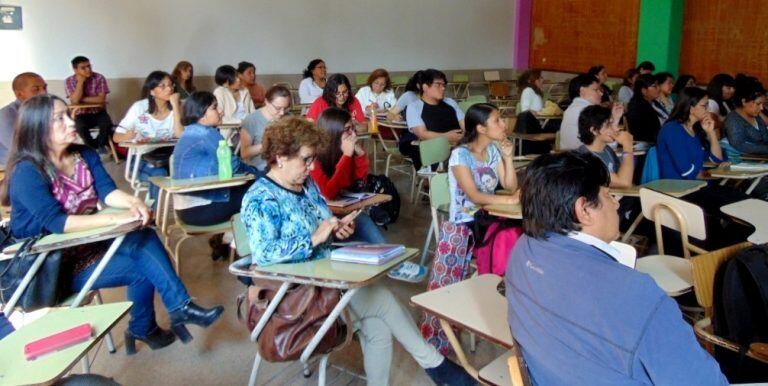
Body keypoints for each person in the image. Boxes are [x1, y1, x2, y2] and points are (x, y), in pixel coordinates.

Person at [240, 117, 475, 386]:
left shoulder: (307, 187)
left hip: (326, 280)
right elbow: (265, 254)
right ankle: (436, 366)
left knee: (378, 328)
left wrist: (336, 228)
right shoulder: (260, 198)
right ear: (280, 157)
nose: (311, 166)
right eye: (305, 159)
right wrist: (314, 238)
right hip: (295, 294)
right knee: (383, 300)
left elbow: (323, 224)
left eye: (312, 159)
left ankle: (435, 367)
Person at [3, 94, 223, 354]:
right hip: (46, 267)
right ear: (37, 128)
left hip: (82, 246)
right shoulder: (27, 171)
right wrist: (115, 218)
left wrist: (133, 204)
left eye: (68, 115)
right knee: (145, 258)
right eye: (58, 119)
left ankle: (165, 316)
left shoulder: (83, 154)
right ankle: (164, 317)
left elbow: (107, 191)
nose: (71, 122)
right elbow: (57, 222)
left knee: (144, 240)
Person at [505, 150, 728, 386]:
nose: (616, 202)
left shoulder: (522, 252)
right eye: (608, 195)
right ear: (584, 210)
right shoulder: (637, 296)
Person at [312, 108, 427, 282]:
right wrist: (347, 155)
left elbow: (359, 183)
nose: (352, 133)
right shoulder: (315, 160)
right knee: (364, 222)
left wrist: (359, 155)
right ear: (333, 132)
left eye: (353, 128)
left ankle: (393, 262)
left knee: (364, 220)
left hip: (342, 211)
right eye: (347, 130)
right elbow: (328, 191)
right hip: (322, 220)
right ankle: (394, 264)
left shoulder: (341, 152)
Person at [172, 91, 261, 226]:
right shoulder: (205, 133)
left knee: (258, 186)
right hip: (201, 208)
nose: (221, 111)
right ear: (201, 116)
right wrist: (256, 172)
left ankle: (232, 239)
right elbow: (234, 165)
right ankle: (241, 240)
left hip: (186, 208)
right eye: (214, 107)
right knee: (265, 191)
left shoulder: (190, 131)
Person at [113, 71, 183, 203]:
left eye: (171, 85)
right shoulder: (139, 108)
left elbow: (180, 134)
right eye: (162, 86)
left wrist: (176, 107)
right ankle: (156, 217)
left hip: (168, 158)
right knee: (159, 175)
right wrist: (128, 135)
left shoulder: (177, 108)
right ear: (152, 91)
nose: (169, 89)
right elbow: (116, 137)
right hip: (141, 159)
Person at [449, 103, 519, 224]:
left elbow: (511, 187)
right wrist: (510, 200)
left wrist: (508, 157)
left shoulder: (492, 149)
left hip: (489, 214)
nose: (504, 125)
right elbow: (474, 197)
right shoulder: (460, 155)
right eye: (497, 121)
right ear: (481, 128)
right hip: (466, 222)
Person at [402, 69, 465, 170]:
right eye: (438, 85)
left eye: (444, 85)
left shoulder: (450, 102)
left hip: (460, 147)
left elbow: (465, 125)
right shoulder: (414, 107)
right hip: (434, 152)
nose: (443, 88)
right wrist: (447, 137)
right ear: (425, 87)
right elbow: (422, 134)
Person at [657, 87, 725, 180]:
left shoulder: (695, 129)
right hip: (680, 189)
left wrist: (711, 132)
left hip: (697, 185)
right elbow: (687, 171)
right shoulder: (672, 130)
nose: (707, 109)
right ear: (691, 108)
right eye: (704, 105)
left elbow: (716, 160)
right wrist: (713, 174)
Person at [577, 105, 634, 188]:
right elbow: (624, 183)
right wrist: (627, 146)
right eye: (609, 125)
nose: (616, 129)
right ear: (594, 130)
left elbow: (626, 176)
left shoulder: (607, 150)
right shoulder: (584, 159)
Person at [65, 56, 114, 150]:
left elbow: (101, 100)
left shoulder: (99, 77)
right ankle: (92, 147)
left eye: (89, 66)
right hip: (80, 114)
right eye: (83, 68)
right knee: (79, 127)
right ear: (75, 70)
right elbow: (74, 101)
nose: (88, 69)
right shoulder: (69, 81)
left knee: (107, 124)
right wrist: (80, 82)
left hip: (98, 112)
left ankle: (99, 145)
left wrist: (80, 98)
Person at [0, 72, 47, 167]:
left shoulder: (46, 111)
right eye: (36, 89)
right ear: (20, 94)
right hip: (18, 166)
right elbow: (18, 149)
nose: (44, 93)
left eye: (44, 88)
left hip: (45, 161)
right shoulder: (6, 114)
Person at [240, 85, 292, 170]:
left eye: (285, 108)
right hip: (262, 166)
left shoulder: (289, 117)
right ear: (266, 102)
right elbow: (244, 153)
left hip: (287, 164)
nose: (282, 113)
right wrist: (268, 145)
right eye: (278, 108)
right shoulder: (252, 120)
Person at [559, 74, 610, 150]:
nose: (601, 93)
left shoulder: (574, 107)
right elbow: (608, 144)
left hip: (572, 156)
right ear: (582, 91)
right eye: (596, 90)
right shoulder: (585, 110)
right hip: (581, 158)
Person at [725, 77, 768, 155]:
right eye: (758, 104)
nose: (761, 108)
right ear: (744, 101)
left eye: (763, 104)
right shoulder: (733, 120)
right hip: (745, 161)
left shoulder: (756, 116)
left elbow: (765, 138)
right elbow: (739, 145)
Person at [626, 74, 663, 142]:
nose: (659, 88)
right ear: (644, 90)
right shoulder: (637, 107)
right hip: (650, 143)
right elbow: (642, 133)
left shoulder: (655, 103)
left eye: (658, 85)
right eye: (655, 86)